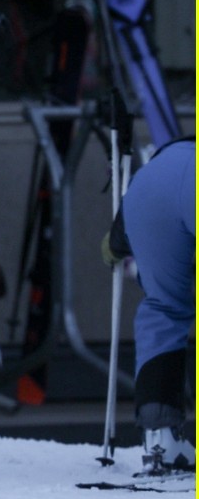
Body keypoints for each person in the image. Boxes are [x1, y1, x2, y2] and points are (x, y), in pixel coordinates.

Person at [103, 137, 195, 474]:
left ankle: (161, 441)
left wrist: (115, 245)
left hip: (150, 190)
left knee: (164, 309)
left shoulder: (157, 164)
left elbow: (116, 242)